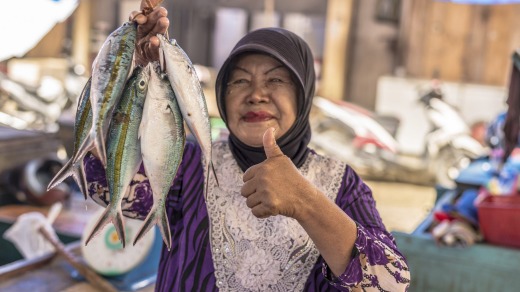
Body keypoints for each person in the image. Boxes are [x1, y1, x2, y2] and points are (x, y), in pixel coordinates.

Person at [84, 1, 410, 290]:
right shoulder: (189, 167)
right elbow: (103, 178)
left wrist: (306, 201)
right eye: (239, 80)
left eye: (276, 80)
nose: (256, 94)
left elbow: (389, 284)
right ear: (223, 97)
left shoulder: (344, 186)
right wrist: (128, 65)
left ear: (304, 94)